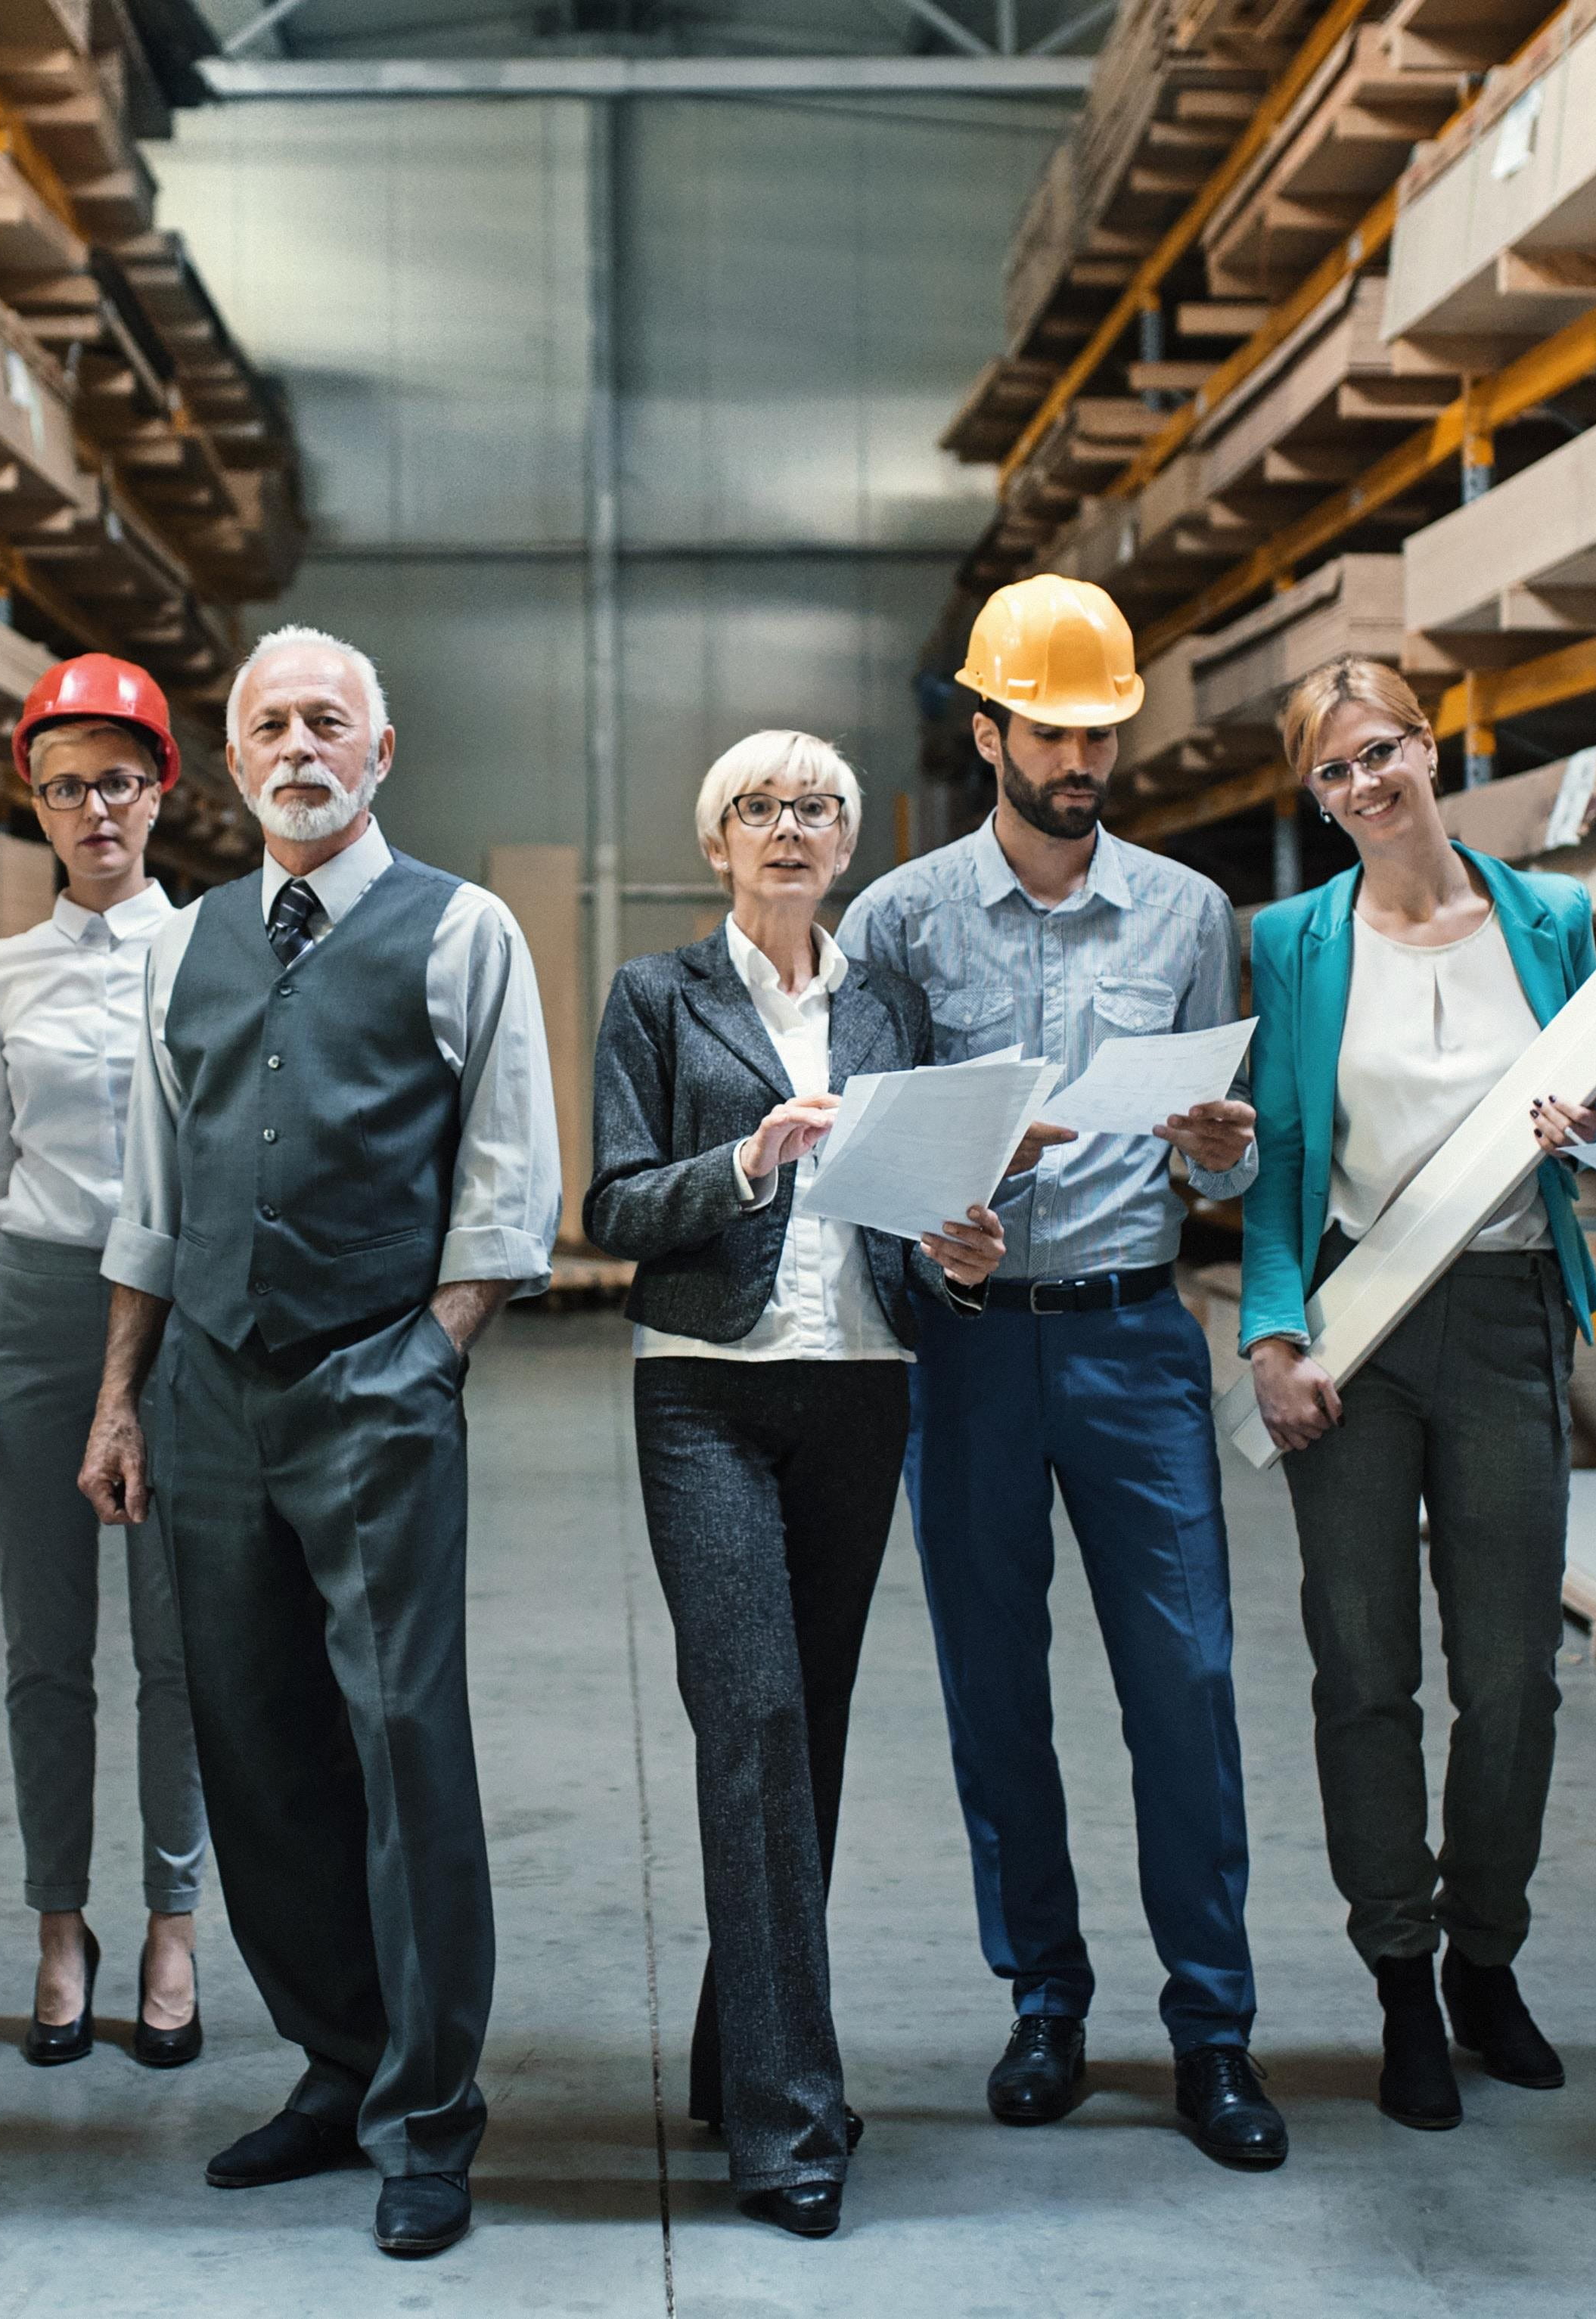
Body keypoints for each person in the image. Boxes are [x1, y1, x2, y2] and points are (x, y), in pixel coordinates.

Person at [78, 625, 558, 2260]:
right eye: (270, 724)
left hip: (375, 1380)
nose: (299, 745)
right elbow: (151, 1192)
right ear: (232, 763)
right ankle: (336, 2066)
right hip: (205, 1390)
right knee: (258, 1744)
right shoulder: (184, 941)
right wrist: (120, 1393)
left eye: (327, 721)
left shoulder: (461, 928)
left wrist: (431, 1357)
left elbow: (509, 1183)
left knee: (402, 1742)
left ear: (380, 749)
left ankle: (428, 2115)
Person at [842, 573, 1285, 2173]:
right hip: (968, 1355)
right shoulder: (897, 921)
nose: (1081, 756)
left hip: (1131, 1340)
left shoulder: (1184, 915)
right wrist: (924, 1243)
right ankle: (1042, 1995)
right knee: (995, 1696)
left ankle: (1214, 2029)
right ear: (988, 733)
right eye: (1051, 730)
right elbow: (867, 1162)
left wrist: (1228, 1153)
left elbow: (1223, 1172)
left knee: (1185, 1686)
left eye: (1101, 729)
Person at [588, 730, 1009, 2240]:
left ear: (845, 847)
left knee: (804, 1735)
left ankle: (732, 2047)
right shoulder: (658, 995)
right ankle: (786, 2123)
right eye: (756, 808)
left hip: (860, 1390)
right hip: (702, 1389)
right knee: (751, 1712)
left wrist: (960, 1264)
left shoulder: (887, 1005)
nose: (787, 828)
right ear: (716, 842)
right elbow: (613, 1205)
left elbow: (918, 1214)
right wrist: (748, 1164)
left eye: (814, 809)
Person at [1239, 655, 1596, 2135]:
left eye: (1379, 751)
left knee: (1513, 1670)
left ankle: (1488, 1958)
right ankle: (1399, 1971)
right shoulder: (1287, 939)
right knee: (1362, 1664)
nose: (1363, 787)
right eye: (1331, 772)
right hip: (1355, 1315)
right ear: (1315, 797)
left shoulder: (1552, 918)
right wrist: (1273, 1338)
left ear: (1430, 746)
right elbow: (1274, 1158)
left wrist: (1587, 1127)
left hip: (1510, 1308)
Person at [0, 654, 207, 2072]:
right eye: (63, 784)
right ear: (32, 803)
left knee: (174, 1641)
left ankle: (170, 1918)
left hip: (175, 1316)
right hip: (36, 1310)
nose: (93, 807)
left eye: (118, 778)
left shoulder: (216, 949)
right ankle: (57, 1922)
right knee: (47, 1648)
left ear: (163, 791)